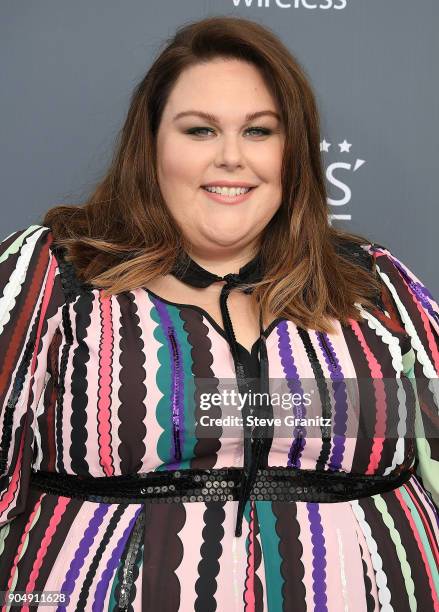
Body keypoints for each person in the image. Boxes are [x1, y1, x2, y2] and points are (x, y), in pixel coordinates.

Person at [0, 15, 437, 611]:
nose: (231, 157)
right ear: (151, 145)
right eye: (200, 131)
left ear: (295, 152)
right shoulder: (57, 273)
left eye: (259, 132)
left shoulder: (372, 284)